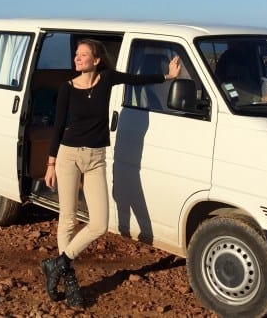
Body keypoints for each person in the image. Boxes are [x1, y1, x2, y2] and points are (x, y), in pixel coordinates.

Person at [40, 38, 181, 307]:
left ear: (96, 60)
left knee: (99, 224)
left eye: (83, 55)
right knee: (67, 220)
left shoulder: (107, 79)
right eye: (76, 55)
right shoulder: (67, 88)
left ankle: (57, 264)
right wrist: (50, 164)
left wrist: (168, 76)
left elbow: (136, 79)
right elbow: (57, 128)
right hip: (68, 157)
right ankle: (70, 282)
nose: (77, 59)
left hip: (96, 159)